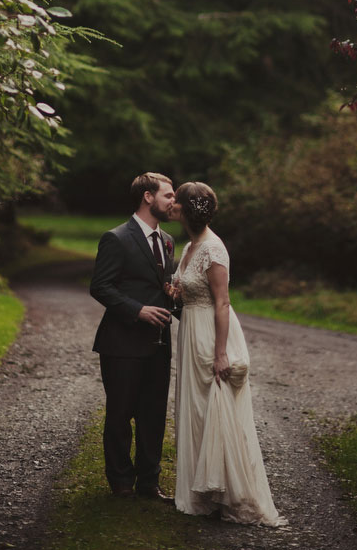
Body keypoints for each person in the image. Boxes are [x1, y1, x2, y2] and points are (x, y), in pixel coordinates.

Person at [167, 181, 287, 527]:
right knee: (196, 409)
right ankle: (202, 493)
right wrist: (176, 293)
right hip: (191, 329)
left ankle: (228, 493)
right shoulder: (191, 246)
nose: (171, 205)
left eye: (176, 201)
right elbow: (193, 290)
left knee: (213, 410)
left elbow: (222, 301)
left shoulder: (213, 250)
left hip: (210, 335)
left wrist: (221, 353)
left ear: (187, 210)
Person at [90, 172, 177, 501]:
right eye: (168, 195)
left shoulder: (167, 240)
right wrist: (137, 310)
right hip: (122, 342)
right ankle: (121, 482)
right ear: (148, 197)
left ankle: (149, 482)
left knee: (153, 414)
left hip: (159, 344)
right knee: (119, 414)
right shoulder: (116, 238)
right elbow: (100, 286)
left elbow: (162, 288)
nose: (173, 201)